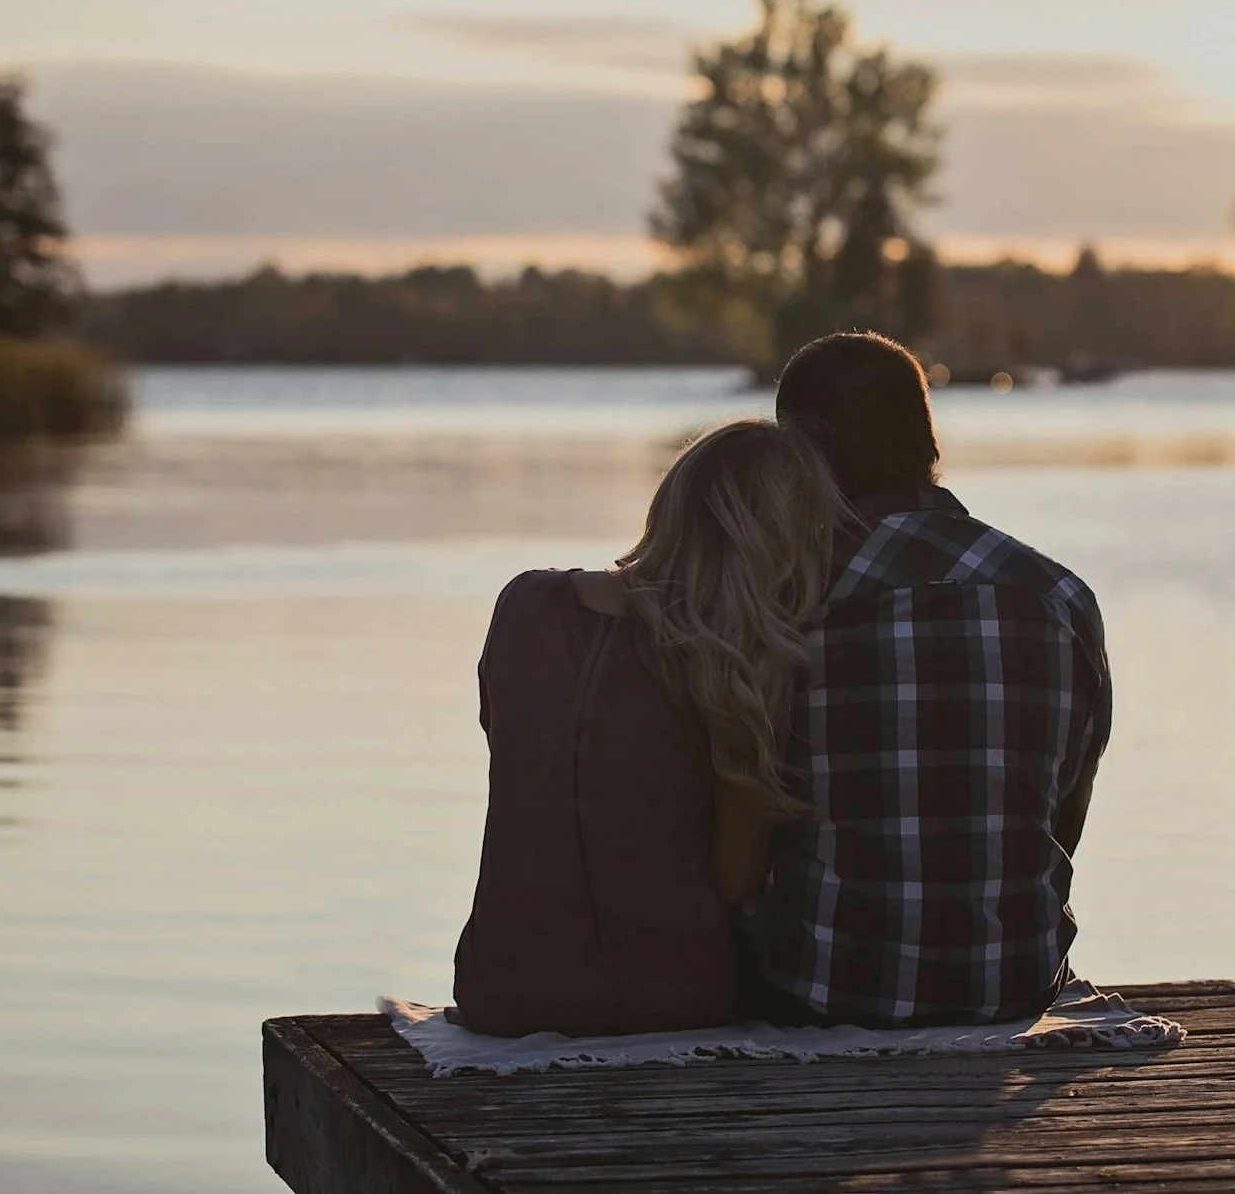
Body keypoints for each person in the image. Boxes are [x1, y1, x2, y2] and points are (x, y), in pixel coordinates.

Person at [743, 331, 1111, 1028]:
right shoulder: (1059, 595)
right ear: (930, 446)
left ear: (804, 450)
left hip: (818, 993)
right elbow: (1062, 812)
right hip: (1012, 988)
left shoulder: (784, 599)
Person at [451, 419, 840, 1037]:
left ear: (671, 502)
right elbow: (735, 877)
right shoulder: (742, 660)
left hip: (501, 986)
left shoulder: (526, 604)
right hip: (671, 1000)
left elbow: (514, 746)